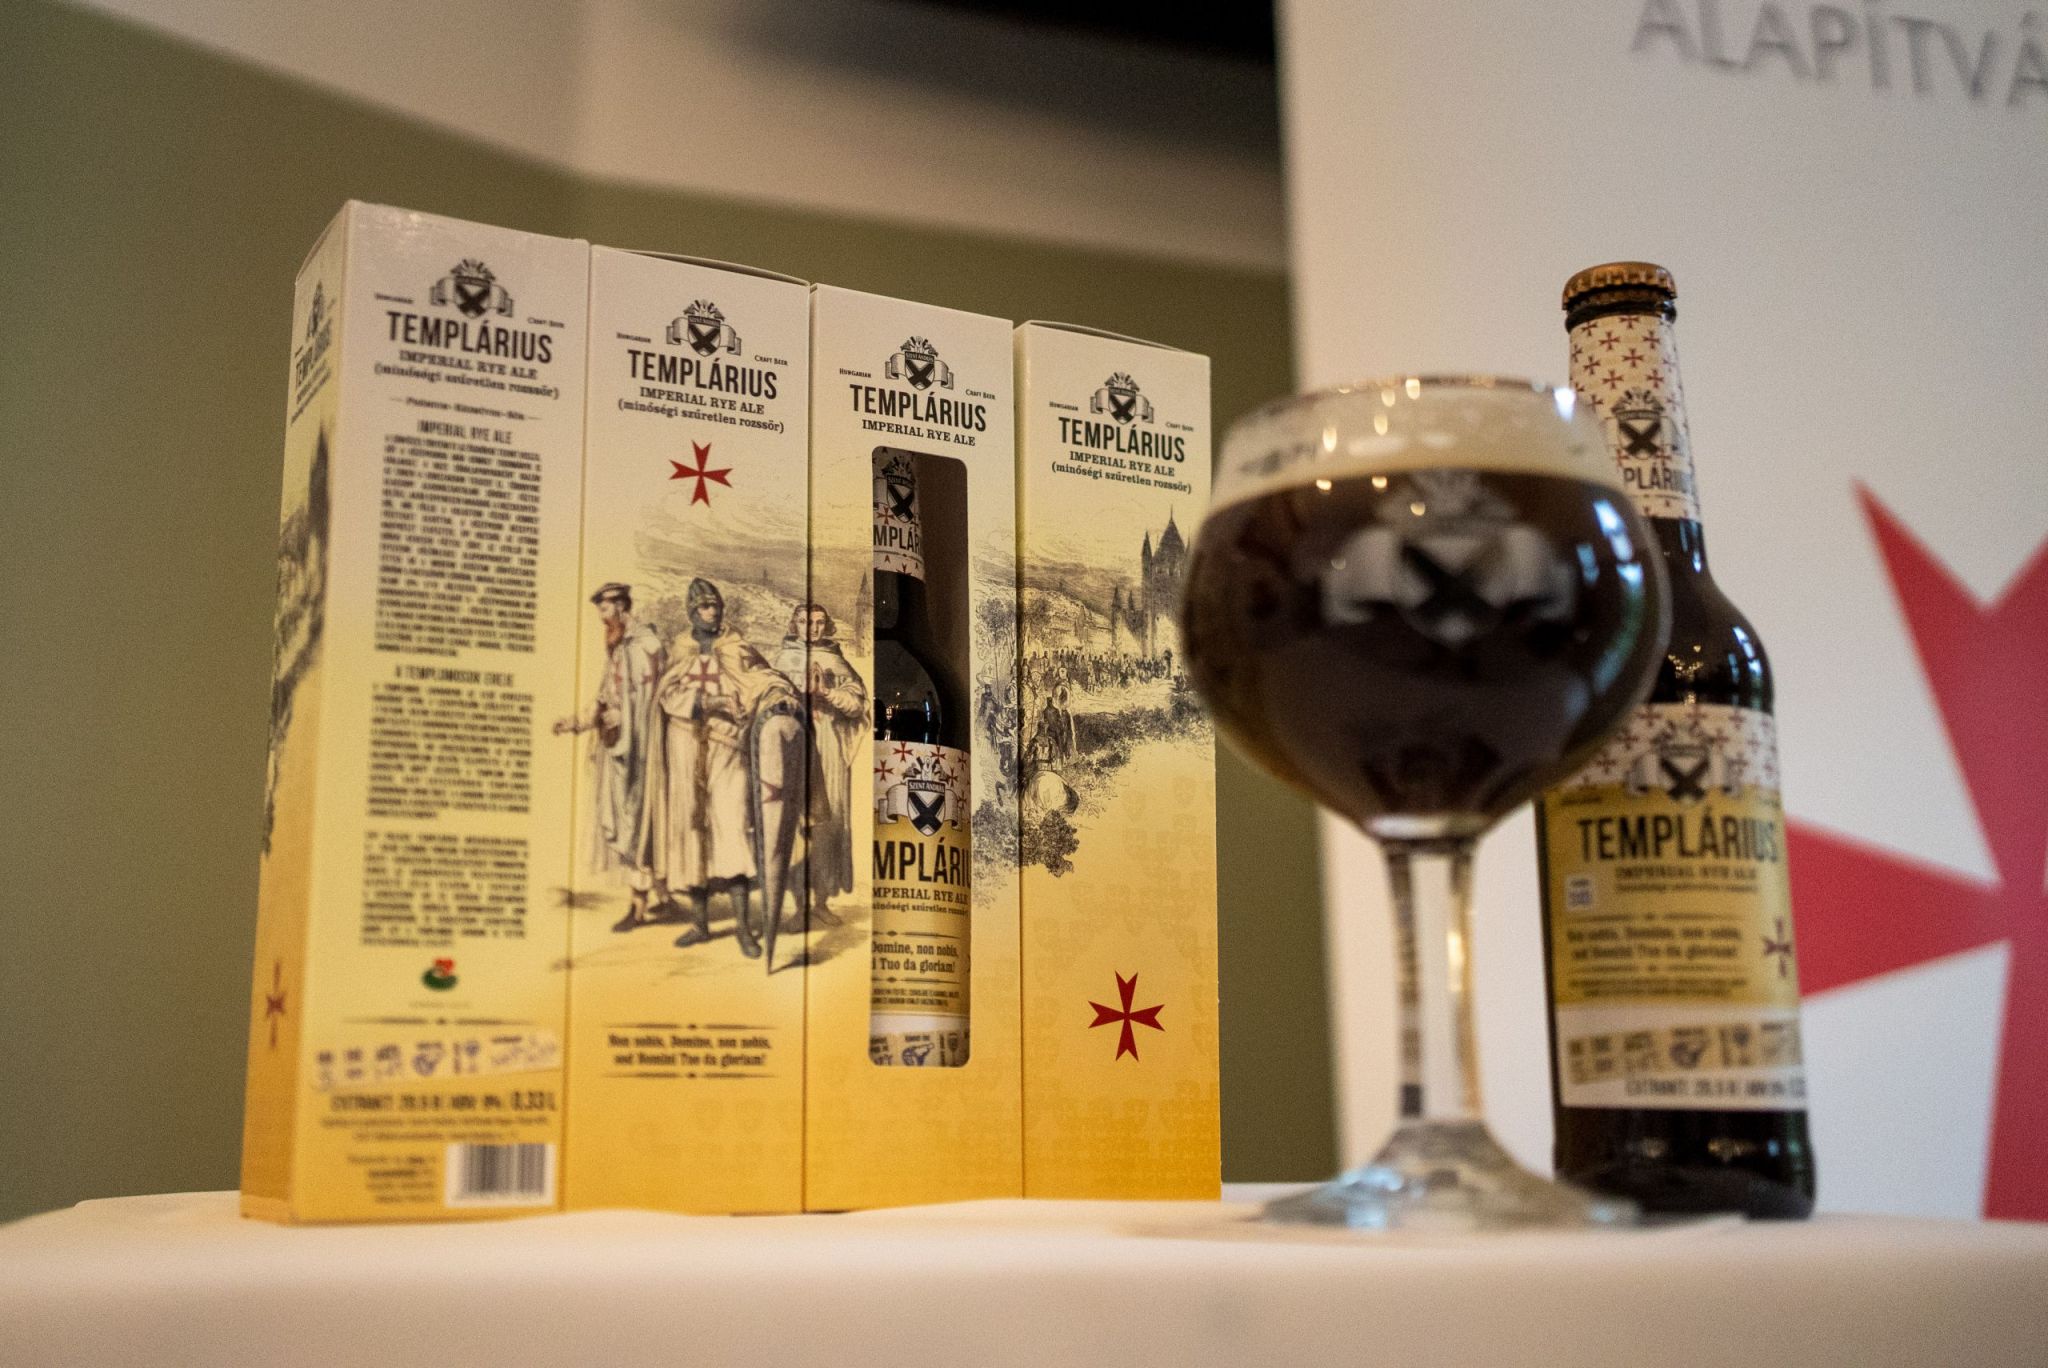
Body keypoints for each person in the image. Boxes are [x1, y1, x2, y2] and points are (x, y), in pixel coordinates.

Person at [643, 578, 798, 957]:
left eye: (715, 606)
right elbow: (666, 694)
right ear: (692, 611)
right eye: (703, 607)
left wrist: (780, 695)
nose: (711, 613)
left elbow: (765, 678)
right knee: (691, 833)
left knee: (732, 831)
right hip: (683, 747)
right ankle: (700, 925)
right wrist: (708, 702)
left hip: (728, 748)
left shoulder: (736, 647)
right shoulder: (680, 648)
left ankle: (744, 929)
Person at [554, 583, 665, 931]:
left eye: (604, 610)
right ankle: (661, 897)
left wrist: (624, 717)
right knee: (628, 824)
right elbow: (606, 698)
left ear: (619, 606)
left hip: (641, 754)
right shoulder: (618, 647)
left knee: (637, 825)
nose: (602, 618)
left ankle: (639, 907)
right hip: (618, 751)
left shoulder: (645, 645)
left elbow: (648, 701)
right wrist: (577, 722)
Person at [773, 603, 866, 928]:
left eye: (817, 622)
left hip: (828, 746)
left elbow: (858, 706)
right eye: (804, 621)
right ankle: (798, 903)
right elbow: (767, 700)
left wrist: (827, 692)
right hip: (794, 743)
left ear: (826, 626)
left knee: (828, 823)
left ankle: (822, 900)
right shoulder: (782, 660)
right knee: (796, 822)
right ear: (794, 624)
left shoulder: (836, 662)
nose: (811, 628)